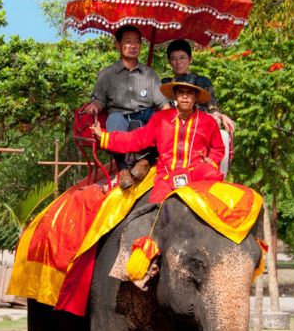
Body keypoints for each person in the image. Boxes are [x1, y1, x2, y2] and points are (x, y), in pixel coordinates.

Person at [90, 77, 224, 201]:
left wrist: (211, 162)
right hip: (167, 175)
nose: (184, 96)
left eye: (189, 93)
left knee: (214, 179)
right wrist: (104, 136)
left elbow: (218, 148)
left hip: (197, 171)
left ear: (196, 97)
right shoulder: (161, 118)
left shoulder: (208, 122)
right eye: (181, 92)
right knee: (155, 202)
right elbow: (135, 139)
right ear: (175, 96)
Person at [86, 25, 172, 189]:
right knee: (114, 119)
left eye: (137, 42)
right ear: (118, 45)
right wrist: (95, 105)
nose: (133, 46)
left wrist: (172, 119)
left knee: (161, 120)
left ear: (140, 45)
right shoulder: (107, 74)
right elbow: (99, 100)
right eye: (128, 42)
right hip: (121, 117)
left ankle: (147, 160)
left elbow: (163, 104)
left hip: (145, 118)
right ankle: (123, 168)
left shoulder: (150, 74)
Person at [164, 39, 235, 174]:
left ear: (190, 59)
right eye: (173, 59)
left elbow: (212, 109)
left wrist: (221, 115)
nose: (178, 62)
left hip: (199, 128)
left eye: (182, 58)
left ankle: (220, 176)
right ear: (169, 62)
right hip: (175, 129)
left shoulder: (202, 82)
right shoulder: (166, 84)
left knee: (224, 136)